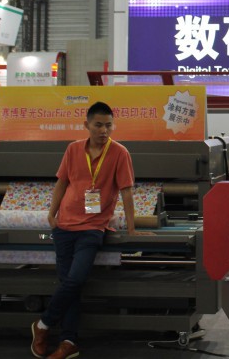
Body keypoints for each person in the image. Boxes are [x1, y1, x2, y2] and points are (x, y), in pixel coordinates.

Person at [31, 101, 149, 359]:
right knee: (68, 285)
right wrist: (51, 213)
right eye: (98, 125)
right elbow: (62, 182)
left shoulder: (119, 153)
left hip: (93, 228)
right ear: (87, 125)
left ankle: (43, 325)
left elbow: (127, 192)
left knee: (75, 280)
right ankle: (69, 341)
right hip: (64, 227)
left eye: (108, 125)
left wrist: (132, 228)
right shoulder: (73, 149)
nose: (104, 130)